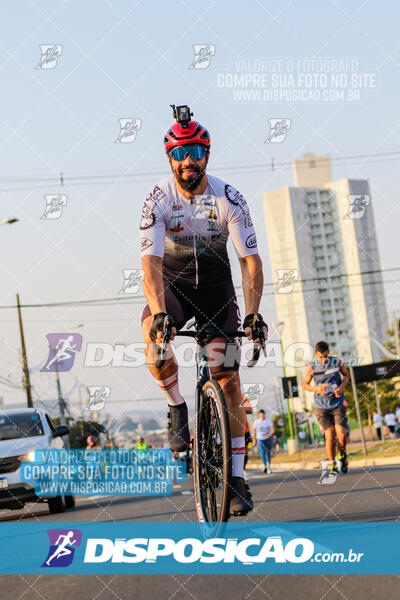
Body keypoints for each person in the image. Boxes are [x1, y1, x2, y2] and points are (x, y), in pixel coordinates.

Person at [140, 105, 268, 515]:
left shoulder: (229, 199)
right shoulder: (158, 198)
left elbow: (250, 262)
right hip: (174, 288)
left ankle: (238, 478)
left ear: (207, 155)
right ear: (169, 159)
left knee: (227, 379)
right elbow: (151, 265)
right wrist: (160, 313)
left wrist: (252, 314)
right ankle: (178, 405)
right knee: (154, 341)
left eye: (195, 150)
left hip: (217, 292)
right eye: (180, 153)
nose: (188, 159)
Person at [303, 341, 350, 475]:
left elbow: (347, 376)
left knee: (342, 434)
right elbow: (305, 384)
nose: (323, 360)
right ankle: (332, 463)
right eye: (320, 357)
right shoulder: (311, 367)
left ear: (328, 353)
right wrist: (315, 388)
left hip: (337, 403)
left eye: (325, 356)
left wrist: (341, 387)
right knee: (330, 435)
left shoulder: (337, 362)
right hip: (321, 406)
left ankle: (342, 455)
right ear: (315, 355)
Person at [253, 409, 274, 474]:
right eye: (260, 414)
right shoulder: (256, 422)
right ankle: (265, 465)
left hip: (268, 438)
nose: (262, 415)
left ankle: (268, 465)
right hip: (260, 439)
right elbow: (254, 432)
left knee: (268, 452)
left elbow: (272, 430)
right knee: (262, 452)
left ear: (264, 414)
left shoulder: (268, 421)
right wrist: (254, 441)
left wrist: (270, 434)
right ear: (259, 415)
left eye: (263, 414)